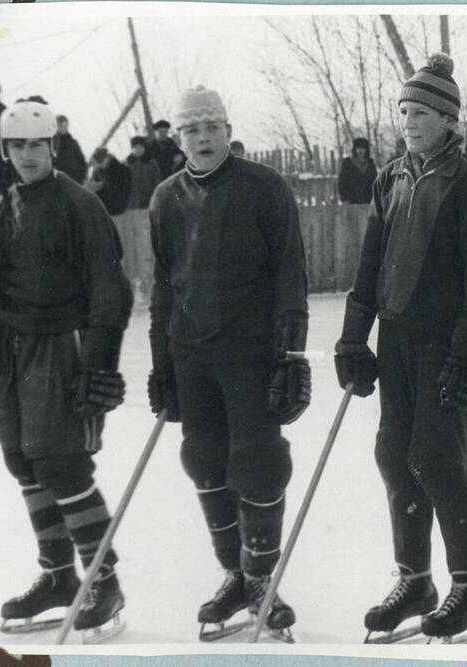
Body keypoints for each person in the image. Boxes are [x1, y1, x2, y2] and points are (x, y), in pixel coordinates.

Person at [334, 54, 467, 642]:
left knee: (436, 455)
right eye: (404, 110)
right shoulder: (389, 178)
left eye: (422, 112)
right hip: (396, 336)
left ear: (450, 121)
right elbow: (370, 265)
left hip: (444, 343)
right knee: (393, 453)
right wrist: (354, 337)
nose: (409, 121)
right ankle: (416, 578)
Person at [147, 85, 310, 641]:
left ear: (227, 128)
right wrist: (160, 363)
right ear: (177, 137)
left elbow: (291, 272)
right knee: (203, 458)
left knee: (258, 459)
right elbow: (163, 286)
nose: (203, 137)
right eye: (191, 129)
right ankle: (235, 576)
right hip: (190, 350)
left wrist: (291, 351)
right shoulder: (165, 197)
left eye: (212, 126)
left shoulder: (264, 187)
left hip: (252, 348)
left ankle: (262, 577)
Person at [0, 98, 133, 636]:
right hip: (9, 348)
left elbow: (110, 291)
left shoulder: (78, 204)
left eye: (35, 144)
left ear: (53, 146)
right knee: (25, 463)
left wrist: (96, 366)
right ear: (5, 150)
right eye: (16, 145)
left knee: (63, 464)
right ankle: (59, 576)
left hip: (61, 345)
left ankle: (104, 580)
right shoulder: (1, 209)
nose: (27, 155)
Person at [123, 137, 162, 303]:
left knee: (145, 248)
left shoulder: (151, 164)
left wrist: (154, 205)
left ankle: (146, 286)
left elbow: (158, 186)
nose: (138, 150)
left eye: (140, 147)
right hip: (128, 210)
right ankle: (130, 286)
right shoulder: (126, 164)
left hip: (146, 209)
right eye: (135, 147)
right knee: (129, 249)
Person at [87, 148, 131, 217]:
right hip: (102, 210)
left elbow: (124, 190)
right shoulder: (98, 171)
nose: (98, 166)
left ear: (106, 159)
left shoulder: (122, 170)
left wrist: (102, 186)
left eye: (99, 163)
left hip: (118, 209)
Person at [337, 137, 378, 204]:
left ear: (366, 150)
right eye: (358, 148)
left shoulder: (371, 165)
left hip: (367, 201)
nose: (360, 151)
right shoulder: (347, 163)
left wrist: (374, 198)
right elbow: (342, 183)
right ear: (354, 149)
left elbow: (375, 184)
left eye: (363, 148)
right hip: (351, 201)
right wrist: (344, 199)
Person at [53, 115, 88, 184]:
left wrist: (82, 178)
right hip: (58, 181)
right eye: (61, 125)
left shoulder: (73, 143)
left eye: (65, 125)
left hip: (74, 181)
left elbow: (81, 162)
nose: (64, 128)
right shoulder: (52, 142)